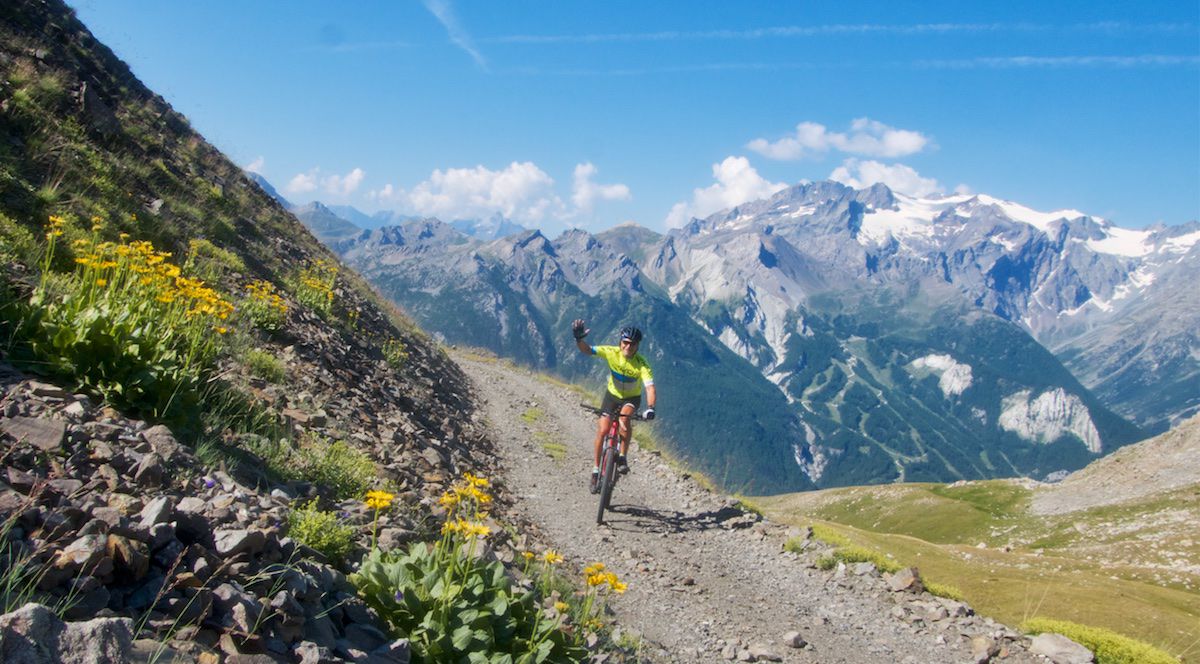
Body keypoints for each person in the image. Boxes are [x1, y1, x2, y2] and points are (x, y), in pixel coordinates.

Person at [572, 319, 656, 494]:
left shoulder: (642, 364)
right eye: (625, 342)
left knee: (625, 421)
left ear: (637, 346)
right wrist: (579, 339)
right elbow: (588, 350)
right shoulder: (611, 352)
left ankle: (623, 457)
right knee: (603, 431)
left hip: (631, 399)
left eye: (632, 344)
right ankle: (596, 470)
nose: (628, 346)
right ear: (620, 342)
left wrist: (651, 408)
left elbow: (649, 387)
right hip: (611, 397)